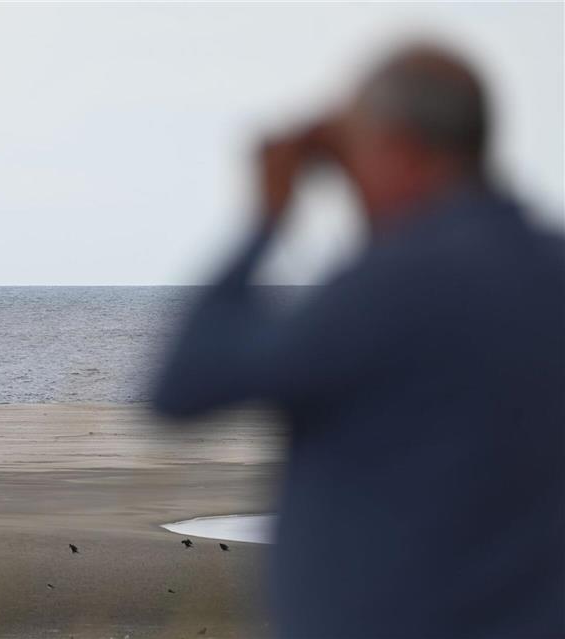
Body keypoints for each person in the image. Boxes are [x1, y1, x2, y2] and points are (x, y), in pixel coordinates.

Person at [151, 43, 565, 639]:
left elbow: (185, 384)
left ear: (400, 148)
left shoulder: (395, 283)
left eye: (358, 154)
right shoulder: (548, 269)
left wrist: (266, 218)